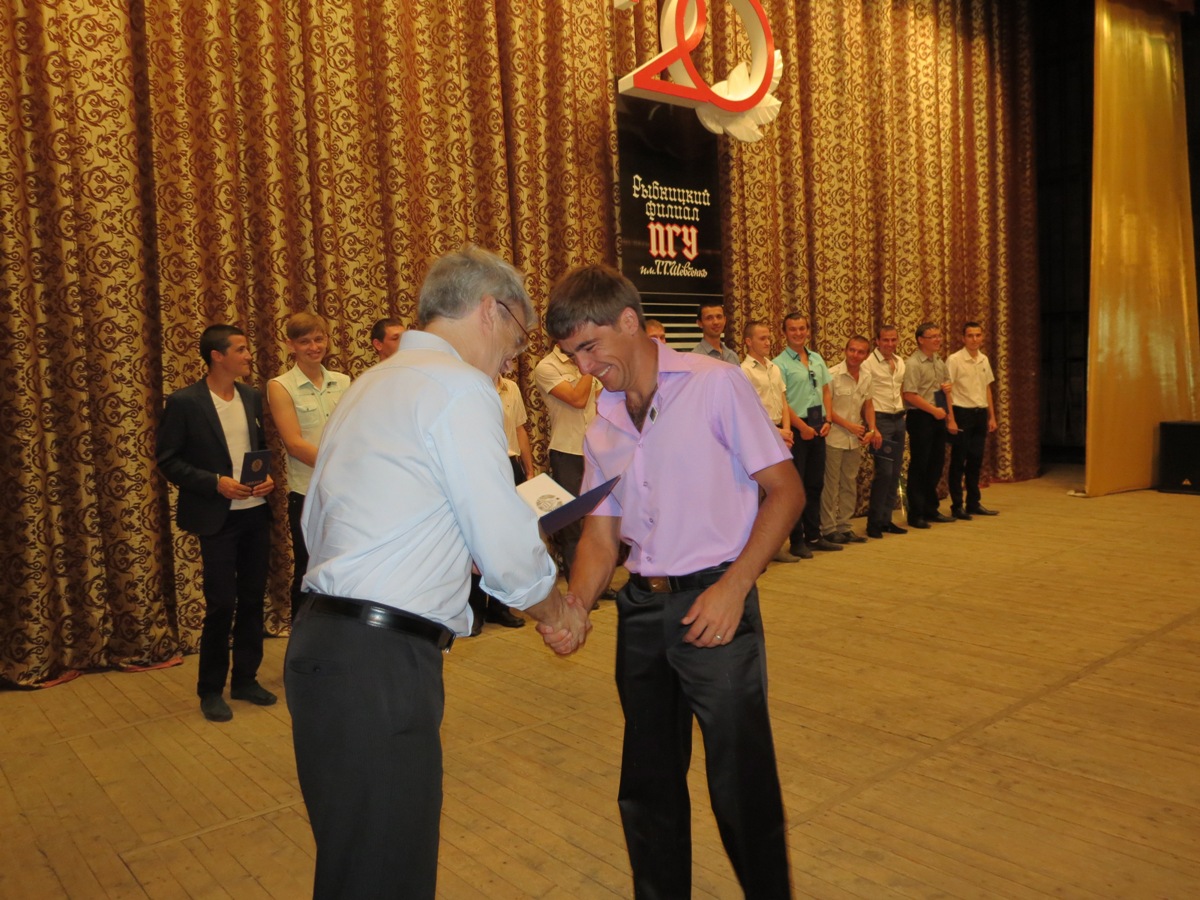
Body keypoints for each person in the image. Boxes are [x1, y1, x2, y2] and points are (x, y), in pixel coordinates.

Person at [286, 245, 589, 899]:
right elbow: (503, 541)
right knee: (388, 872)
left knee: (353, 864)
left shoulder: (370, 384)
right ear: (490, 310)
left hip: (324, 645)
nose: (510, 361)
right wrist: (555, 609)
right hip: (381, 662)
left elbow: (322, 522)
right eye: (515, 339)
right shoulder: (458, 388)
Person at [545, 263, 803, 899]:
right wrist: (576, 604)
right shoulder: (602, 419)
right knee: (648, 784)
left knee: (740, 783)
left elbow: (786, 491)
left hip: (716, 602)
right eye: (572, 355)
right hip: (642, 611)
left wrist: (734, 587)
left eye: (590, 347)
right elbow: (601, 537)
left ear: (629, 321)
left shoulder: (715, 384)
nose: (585, 367)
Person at [156, 325, 278, 723]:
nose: (248, 355)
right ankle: (210, 689)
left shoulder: (251, 396)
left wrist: (267, 477)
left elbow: (258, 450)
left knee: (253, 599)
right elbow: (168, 460)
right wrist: (215, 483)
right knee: (221, 603)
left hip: (256, 512)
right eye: (240, 349)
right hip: (217, 518)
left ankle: (245, 679)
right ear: (216, 356)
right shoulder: (185, 402)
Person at [266, 312, 350, 621]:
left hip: (344, 493)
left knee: (343, 568)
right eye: (304, 342)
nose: (314, 347)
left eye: (319, 339)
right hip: (307, 493)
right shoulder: (280, 386)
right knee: (309, 569)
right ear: (291, 345)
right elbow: (294, 444)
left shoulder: (343, 381)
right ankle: (302, 639)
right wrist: (339, 464)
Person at [466, 372, 535, 633]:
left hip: (510, 464)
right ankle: (474, 609)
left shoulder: (511, 388)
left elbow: (519, 428)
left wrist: (529, 469)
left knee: (506, 540)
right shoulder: (468, 385)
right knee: (477, 539)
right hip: (479, 466)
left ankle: (500, 607)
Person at [774, 312, 841, 557]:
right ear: (784, 333)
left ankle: (814, 535)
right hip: (796, 428)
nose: (798, 333)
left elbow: (825, 391)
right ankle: (797, 540)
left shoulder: (816, 358)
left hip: (819, 425)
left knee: (815, 484)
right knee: (797, 486)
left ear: (808, 330)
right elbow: (782, 401)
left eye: (802, 328)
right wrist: (801, 428)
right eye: (793, 329)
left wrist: (828, 419)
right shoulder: (779, 364)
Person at [533, 342, 599, 579]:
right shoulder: (547, 366)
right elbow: (577, 399)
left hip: (596, 450)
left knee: (597, 518)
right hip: (566, 450)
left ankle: (597, 580)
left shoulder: (584, 362)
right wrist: (589, 366)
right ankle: (577, 582)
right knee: (571, 522)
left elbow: (601, 401)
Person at [741, 320, 800, 563]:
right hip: (760, 434)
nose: (768, 342)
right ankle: (754, 551)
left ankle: (774, 546)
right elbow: (749, 410)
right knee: (758, 495)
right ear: (748, 342)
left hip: (779, 433)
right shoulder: (745, 371)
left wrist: (786, 429)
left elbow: (783, 401)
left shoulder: (774, 367)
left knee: (777, 495)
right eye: (762, 338)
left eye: (768, 337)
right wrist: (776, 433)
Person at [822, 335, 881, 543]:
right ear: (845, 351)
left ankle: (844, 526)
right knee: (831, 485)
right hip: (834, 438)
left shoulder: (867, 376)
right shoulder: (832, 375)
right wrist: (849, 426)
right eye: (852, 350)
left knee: (849, 482)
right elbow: (827, 409)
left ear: (866, 355)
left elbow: (869, 405)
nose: (855, 355)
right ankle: (828, 529)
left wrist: (871, 429)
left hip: (854, 441)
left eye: (861, 352)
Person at [902, 322, 954, 529]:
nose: (938, 340)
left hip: (938, 416)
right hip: (920, 417)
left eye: (939, 335)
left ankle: (931, 508)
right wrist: (933, 411)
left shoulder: (939, 361)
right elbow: (909, 395)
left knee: (936, 464)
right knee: (920, 465)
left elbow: (944, 391)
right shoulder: (913, 363)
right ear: (920, 340)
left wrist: (949, 417)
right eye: (933, 336)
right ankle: (916, 514)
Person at [947, 321, 1000, 518]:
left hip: (980, 414)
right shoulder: (954, 360)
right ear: (963, 338)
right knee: (958, 460)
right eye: (970, 335)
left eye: (978, 335)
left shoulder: (983, 359)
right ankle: (957, 505)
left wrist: (991, 416)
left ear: (982, 337)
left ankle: (973, 502)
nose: (974, 339)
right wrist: (950, 419)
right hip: (962, 413)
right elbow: (946, 390)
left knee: (976, 460)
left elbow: (986, 388)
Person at [861, 324, 908, 539]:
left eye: (893, 340)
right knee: (884, 473)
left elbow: (898, 390)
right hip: (880, 421)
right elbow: (866, 399)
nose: (890, 344)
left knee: (895, 473)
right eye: (885, 340)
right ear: (877, 341)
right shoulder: (868, 364)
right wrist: (873, 428)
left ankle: (886, 520)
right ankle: (873, 523)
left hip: (898, 419)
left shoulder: (900, 362)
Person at [690, 299, 740, 363]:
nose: (715, 322)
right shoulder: (694, 358)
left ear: (724, 320)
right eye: (709, 318)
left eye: (719, 317)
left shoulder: (732, 356)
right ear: (700, 323)